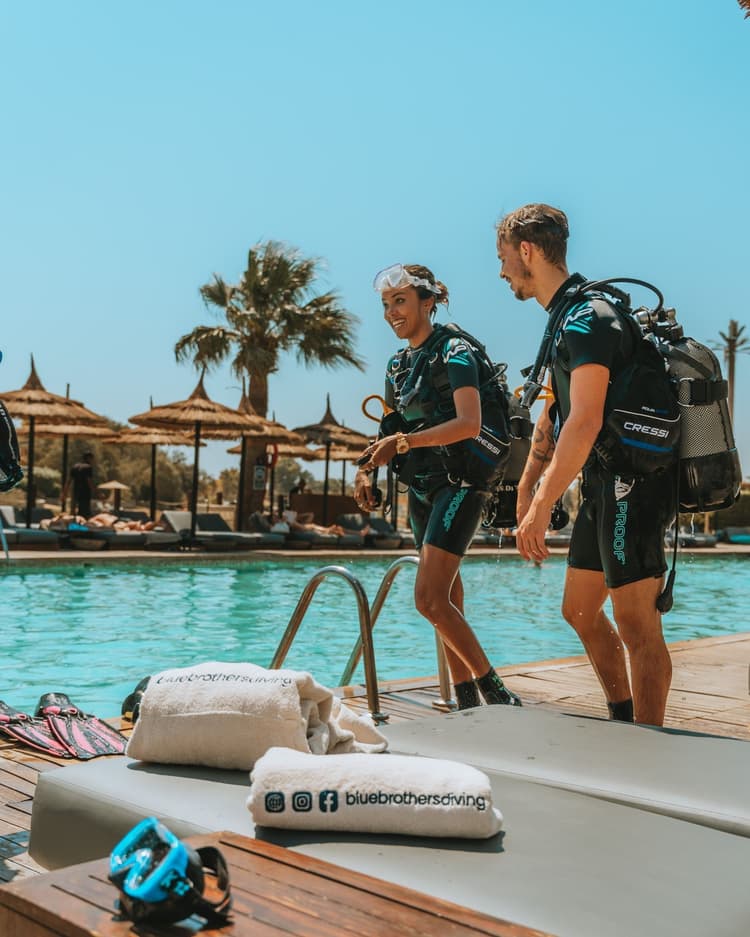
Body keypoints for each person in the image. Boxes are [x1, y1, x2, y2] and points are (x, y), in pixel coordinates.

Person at [496, 204, 676, 726]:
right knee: (578, 609)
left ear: (527, 251)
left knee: (637, 623)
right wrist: (527, 489)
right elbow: (555, 417)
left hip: (634, 484)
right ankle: (623, 719)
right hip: (602, 481)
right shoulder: (564, 320)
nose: (502, 270)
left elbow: (586, 421)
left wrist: (542, 507)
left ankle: (648, 746)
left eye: (504, 257)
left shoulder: (589, 318)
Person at [355, 263, 521, 710]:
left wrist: (405, 441)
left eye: (401, 302)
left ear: (427, 302)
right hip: (423, 489)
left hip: (461, 484)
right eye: (386, 305)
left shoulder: (455, 352)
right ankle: (466, 701)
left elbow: (469, 423)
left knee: (429, 599)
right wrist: (366, 468)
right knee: (447, 599)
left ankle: (497, 695)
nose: (392, 312)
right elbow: (390, 426)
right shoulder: (397, 365)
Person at [62, 452, 96, 519]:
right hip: (85, 492)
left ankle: (73, 523)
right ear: (89, 458)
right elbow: (89, 481)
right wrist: (96, 492)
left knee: (73, 511)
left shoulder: (75, 466)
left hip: (75, 492)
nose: (93, 461)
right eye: (92, 459)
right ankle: (82, 525)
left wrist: (64, 493)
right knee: (84, 512)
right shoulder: (88, 467)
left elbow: (69, 481)